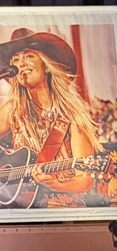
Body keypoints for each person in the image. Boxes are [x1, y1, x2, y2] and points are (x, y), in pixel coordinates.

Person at [0, 29, 108, 209]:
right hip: (21, 209)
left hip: (61, 208)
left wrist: (54, 184)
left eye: (29, 56)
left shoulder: (71, 114)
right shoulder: (13, 110)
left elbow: (84, 180)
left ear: (46, 65)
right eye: (16, 60)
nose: (21, 64)